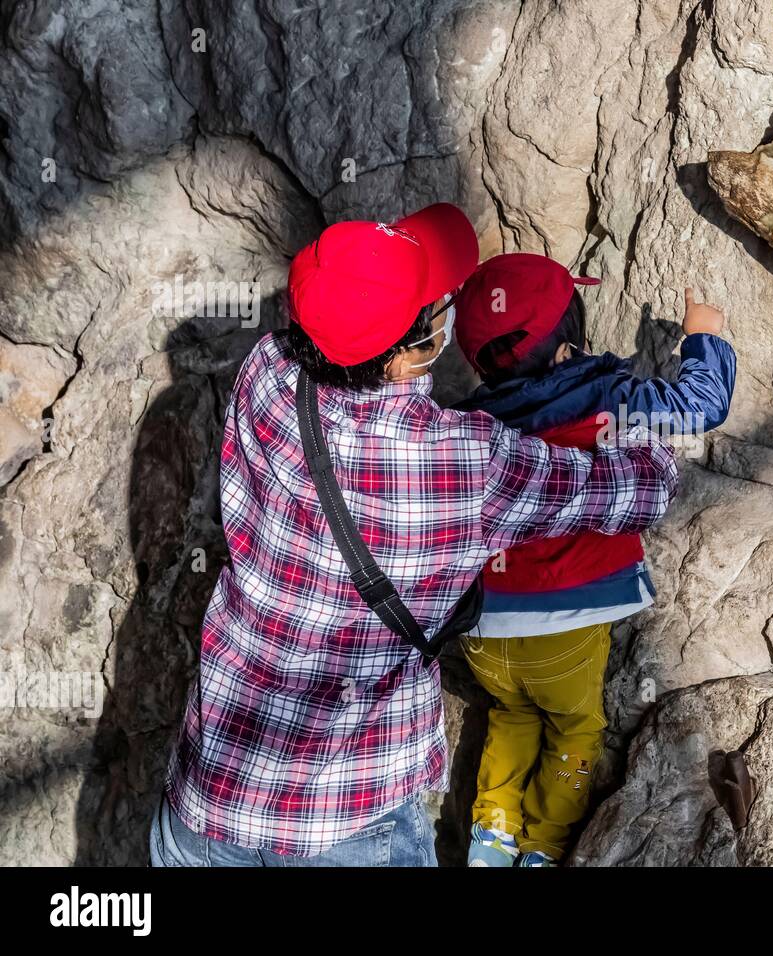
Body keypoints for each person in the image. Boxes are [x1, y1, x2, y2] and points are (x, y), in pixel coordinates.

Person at [149, 206, 680, 866]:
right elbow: (641, 490)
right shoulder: (462, 461)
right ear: (412, 356)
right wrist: (643, 421)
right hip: (346, 822)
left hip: (206, 800)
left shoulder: (268, 371)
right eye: (439, 305)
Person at [451, 252, 735, 866]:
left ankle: (489, 839)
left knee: (510, 713)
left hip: (481, 624)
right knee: (575, 729)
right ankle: (542, 846)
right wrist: (703, 338)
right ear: (563, 350)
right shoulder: (607, 395)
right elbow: (698, 407)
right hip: (564, 623)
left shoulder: (469, 420)